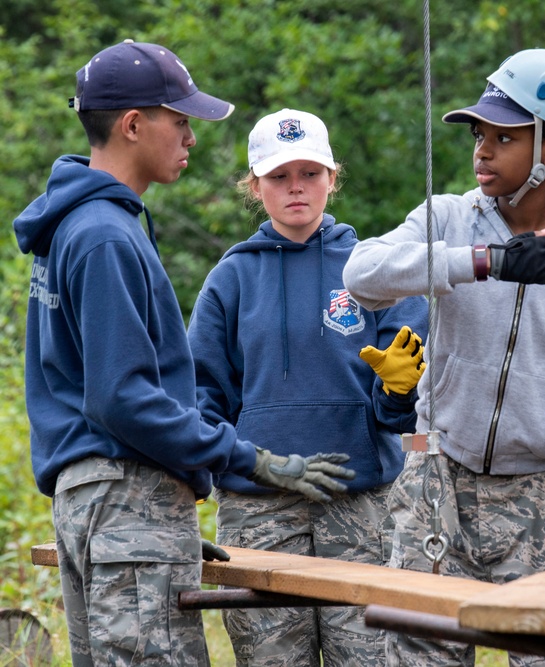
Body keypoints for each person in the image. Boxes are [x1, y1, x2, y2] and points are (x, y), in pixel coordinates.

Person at [13, 41, 353, 665]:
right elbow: (122, 398)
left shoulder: (80, 226)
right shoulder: (103, 237)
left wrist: (164, 522)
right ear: (134, 125)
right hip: (123, 496)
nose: (191, 137)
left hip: (111, 501)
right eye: (181, 119)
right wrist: (249, 459)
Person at [343, 48, 545, 666]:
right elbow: (362, 273)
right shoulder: (448, 216)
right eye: (479, 135)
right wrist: (484, 263)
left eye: (504, 136)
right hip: (438, 476)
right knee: (418, 652)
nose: (482, 151)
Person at [187, 108, 428, 667]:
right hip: (259, 506)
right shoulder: (230, 278)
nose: (296, 187)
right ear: (256, 186)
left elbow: (404, 408)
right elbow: (202, 397)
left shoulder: (374, 269)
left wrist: (397, 391)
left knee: (368, 658)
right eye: (279, 176)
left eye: (310, 173)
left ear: (331, 178)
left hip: (361, 500)